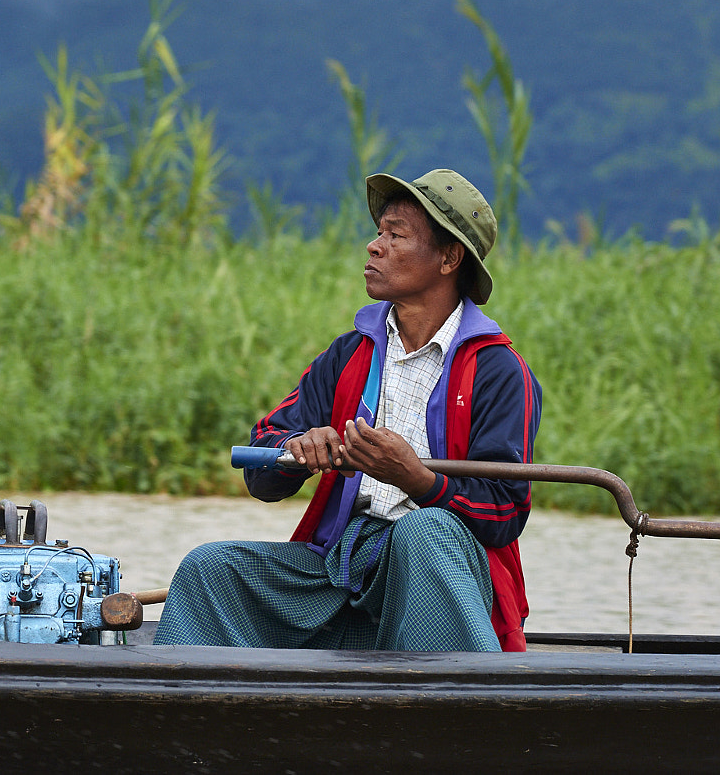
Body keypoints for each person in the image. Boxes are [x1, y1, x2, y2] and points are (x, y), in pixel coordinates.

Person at [154, 168, 540, 652]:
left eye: (395, 235)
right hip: (343, 567)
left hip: (442, 573)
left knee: (424, 531)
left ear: (449, 257)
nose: (374, 246)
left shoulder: (499, 371)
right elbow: (262, 463)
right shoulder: (350, 354)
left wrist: (417, 480)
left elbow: (502, 510)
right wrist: (294, 449)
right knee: (210, 569)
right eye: (380, 232)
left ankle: (451, 705)